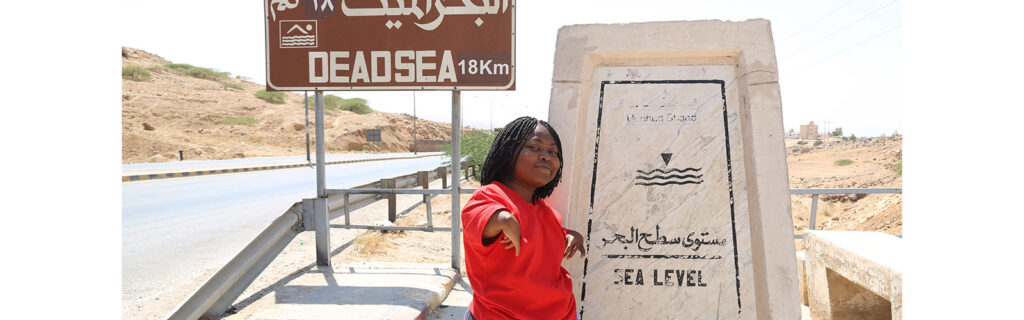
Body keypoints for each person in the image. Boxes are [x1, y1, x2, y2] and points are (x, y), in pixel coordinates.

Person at [461, 116, 585, 320]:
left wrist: (571, 236)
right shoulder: (491, 195)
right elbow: (480, 219)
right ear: (508, 153)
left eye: (553, 152)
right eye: (534, 147)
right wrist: (503, 220)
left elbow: (540, 240)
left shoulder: (547, 211)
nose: (546, 156)